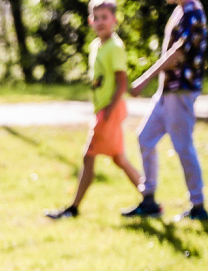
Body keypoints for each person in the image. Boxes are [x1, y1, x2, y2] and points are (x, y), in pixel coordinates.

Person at [46, 0, 142, 220]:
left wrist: (108, 111)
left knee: (88, 156)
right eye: (96, 18)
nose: (100, 22)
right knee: (119, 158)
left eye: (104, 17)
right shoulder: (96, 46)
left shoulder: (115, 47)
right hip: (102, 110)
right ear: (90, 21)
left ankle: (74, 208)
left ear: (114, 20)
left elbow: (121, 81)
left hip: (109, 111)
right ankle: (149, 198)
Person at [123, 0, 208, 221]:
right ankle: (149, 200)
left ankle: (198, 206)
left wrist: (143, 80)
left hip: (180, 92)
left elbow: (177, 55)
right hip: (166, 92)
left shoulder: (193, 13)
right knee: (145, 138)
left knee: (183, 147)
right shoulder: (180, 11)